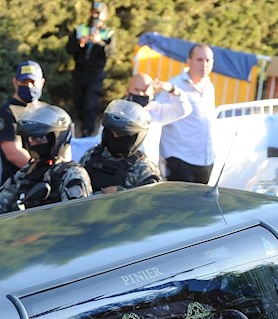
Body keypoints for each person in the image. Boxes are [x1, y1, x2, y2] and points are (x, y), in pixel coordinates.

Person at [160, 43, 216, 184]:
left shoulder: (209, 87)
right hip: (180, 160)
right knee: (181, 205)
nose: (204, 64)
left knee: (200, 205)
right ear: (189, 61)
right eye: (199, 60)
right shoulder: (174, 86)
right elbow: (157, 117)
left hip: (205, 160)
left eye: (208, 60)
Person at [79, 99, 162, 194]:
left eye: (121, 134)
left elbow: (150, 202)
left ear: (135, 137)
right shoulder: (92, 155)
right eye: (111, 133)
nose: (115, 137)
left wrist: (121, 193)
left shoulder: (143, 169)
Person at [0, 60, 47, 184]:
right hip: (19, 184)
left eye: (32, 82)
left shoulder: (47, 111)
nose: (28, 86)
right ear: (15, 82)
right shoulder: (7, 112)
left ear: (42, 82)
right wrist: (44, 171)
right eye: (24, 81)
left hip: (47, 181)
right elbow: (13, 154)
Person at [67, 1, 114, 138]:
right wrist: (80, 43)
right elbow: (69, 48)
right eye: (95, 12)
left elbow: (110, 52)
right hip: (80, 71)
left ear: (105, 15)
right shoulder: (80, 29)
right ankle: (80, 129)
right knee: (79, 102)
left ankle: (88, 132)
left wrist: (99, 42)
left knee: (90, 103)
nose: (97, 15)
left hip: (95, 72)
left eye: (100, 13)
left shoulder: (108, 33)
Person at [124, 73, 192, 166]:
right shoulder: (118, 109)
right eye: (136, 90)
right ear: (127, 91)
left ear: (152, 94)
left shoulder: (157, 111)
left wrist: (171, 89)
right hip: (121, 167)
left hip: (146, 169)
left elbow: (184, 109)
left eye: (144, 91)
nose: (140, 94)